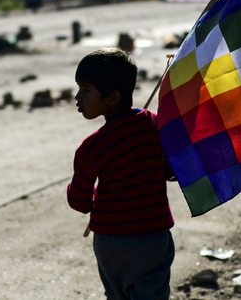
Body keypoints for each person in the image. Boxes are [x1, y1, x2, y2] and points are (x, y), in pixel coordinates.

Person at [67, 48, 175, 300]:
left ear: (113, 97)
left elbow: (79, 202)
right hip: (154, 237)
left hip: (111, 242)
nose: (77, 97)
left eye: (86, 90)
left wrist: (95, 196)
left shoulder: (91, 147)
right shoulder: (156, 125)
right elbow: (172, 169)